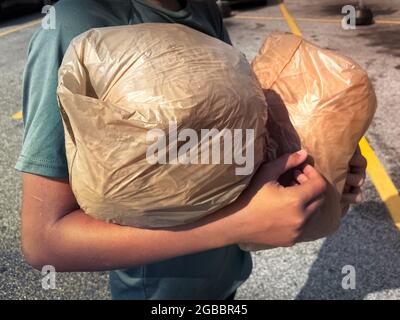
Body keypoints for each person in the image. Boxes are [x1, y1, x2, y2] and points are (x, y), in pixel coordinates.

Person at [17, 0, 367, 300]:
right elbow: (45, 241)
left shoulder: (202, 9)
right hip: (158, 293)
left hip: (227, 278)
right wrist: (239, 223)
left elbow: (223, 141)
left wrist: (316, 159)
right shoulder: (73, 22)